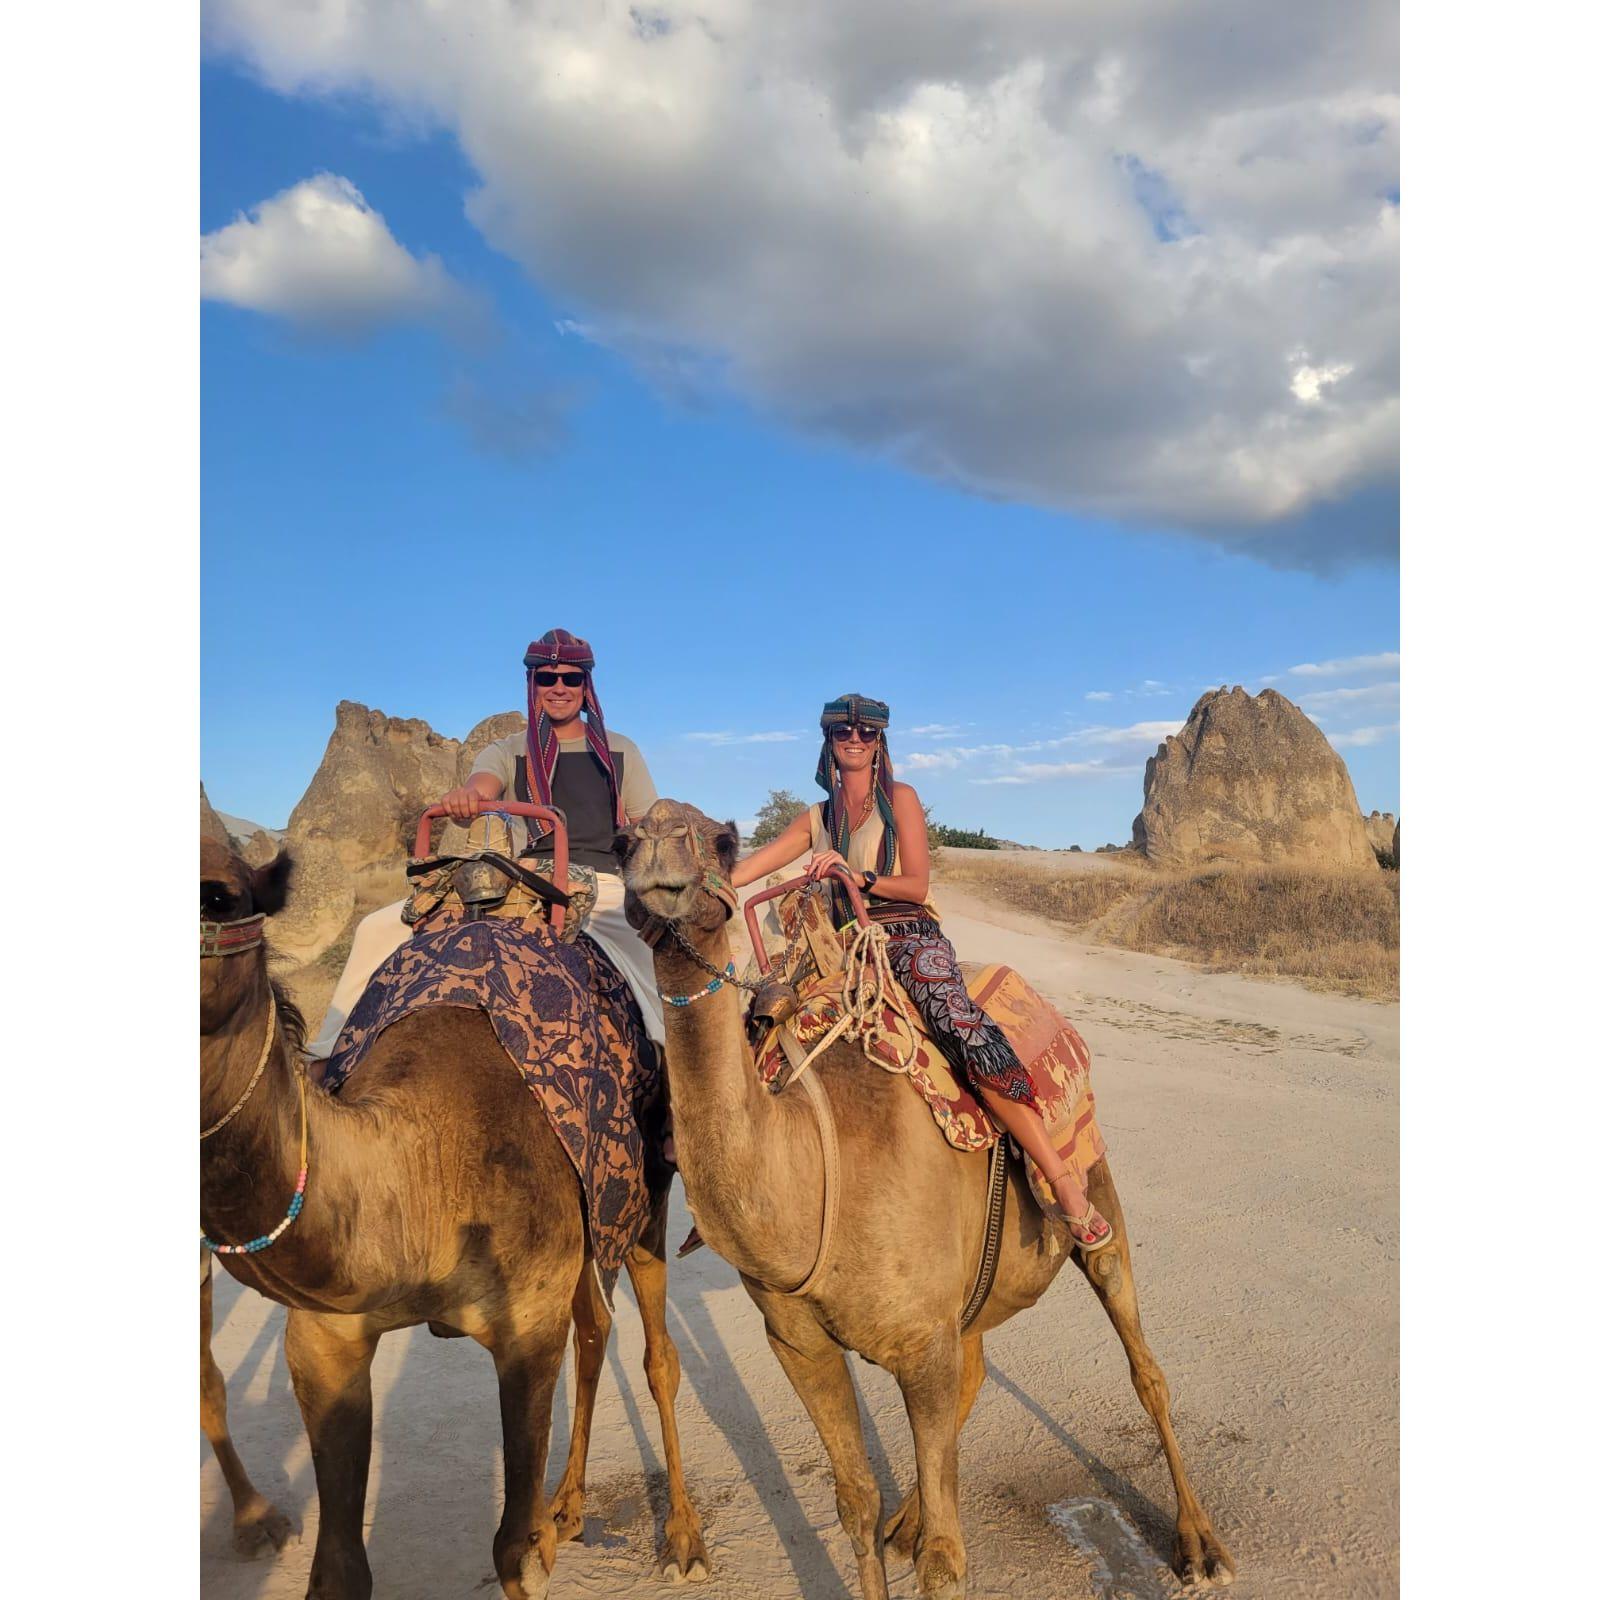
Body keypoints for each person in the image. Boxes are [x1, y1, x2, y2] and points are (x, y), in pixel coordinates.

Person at [730, 693, 1114, 1252]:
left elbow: (916, 885)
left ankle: (1059, 1178)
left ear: (880, 741)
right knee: (757, 1028)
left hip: (906, 935)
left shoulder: (901, 800)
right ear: (829, 745)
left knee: (959, 1027)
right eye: (843, 734)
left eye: (865, 733)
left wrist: (856, 876)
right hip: (839, 948)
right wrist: (709, 881)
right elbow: (755, 865)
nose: (854, 741)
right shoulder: (817, 818)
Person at [304, 629, 664, 1058]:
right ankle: (325, 1055)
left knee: (645, 947)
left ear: (587, 687)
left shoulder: (620, 751)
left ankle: (665, 1057)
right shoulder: (508, 749)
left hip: (600, 882)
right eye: (547, 679)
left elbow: (648, 824)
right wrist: (469, 795)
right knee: (374, 928)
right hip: (524, 878)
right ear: (534, 686)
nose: (560, 688)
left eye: (571, 678)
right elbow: (483, 782)